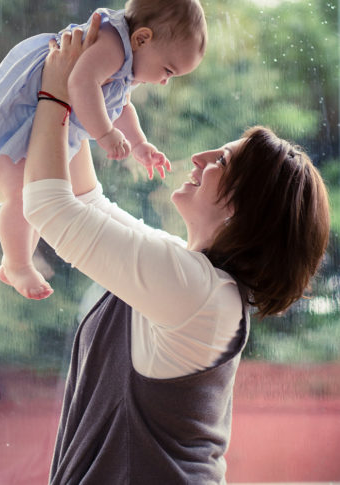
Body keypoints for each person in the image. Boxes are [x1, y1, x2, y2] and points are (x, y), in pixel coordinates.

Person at [20, 22, 331, 484]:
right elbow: (86, 202)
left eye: (223, 161)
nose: (202, 156)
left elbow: (51, 207)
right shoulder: (195, 279)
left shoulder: (197, 294)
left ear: (247, 209)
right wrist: (84, 91)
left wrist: (55, 95)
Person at [0, 0, 207, 300]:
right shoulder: (111, 45)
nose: (165, 81)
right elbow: (80, 82)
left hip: (34, 119)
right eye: (167, 70)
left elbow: (120, 102)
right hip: (15, 120)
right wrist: (104, 134)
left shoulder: (127, 58)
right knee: (25, 197)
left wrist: (140, 144)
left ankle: (17, 261)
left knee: (36, 197)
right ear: (142, 38)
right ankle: (16, 263)